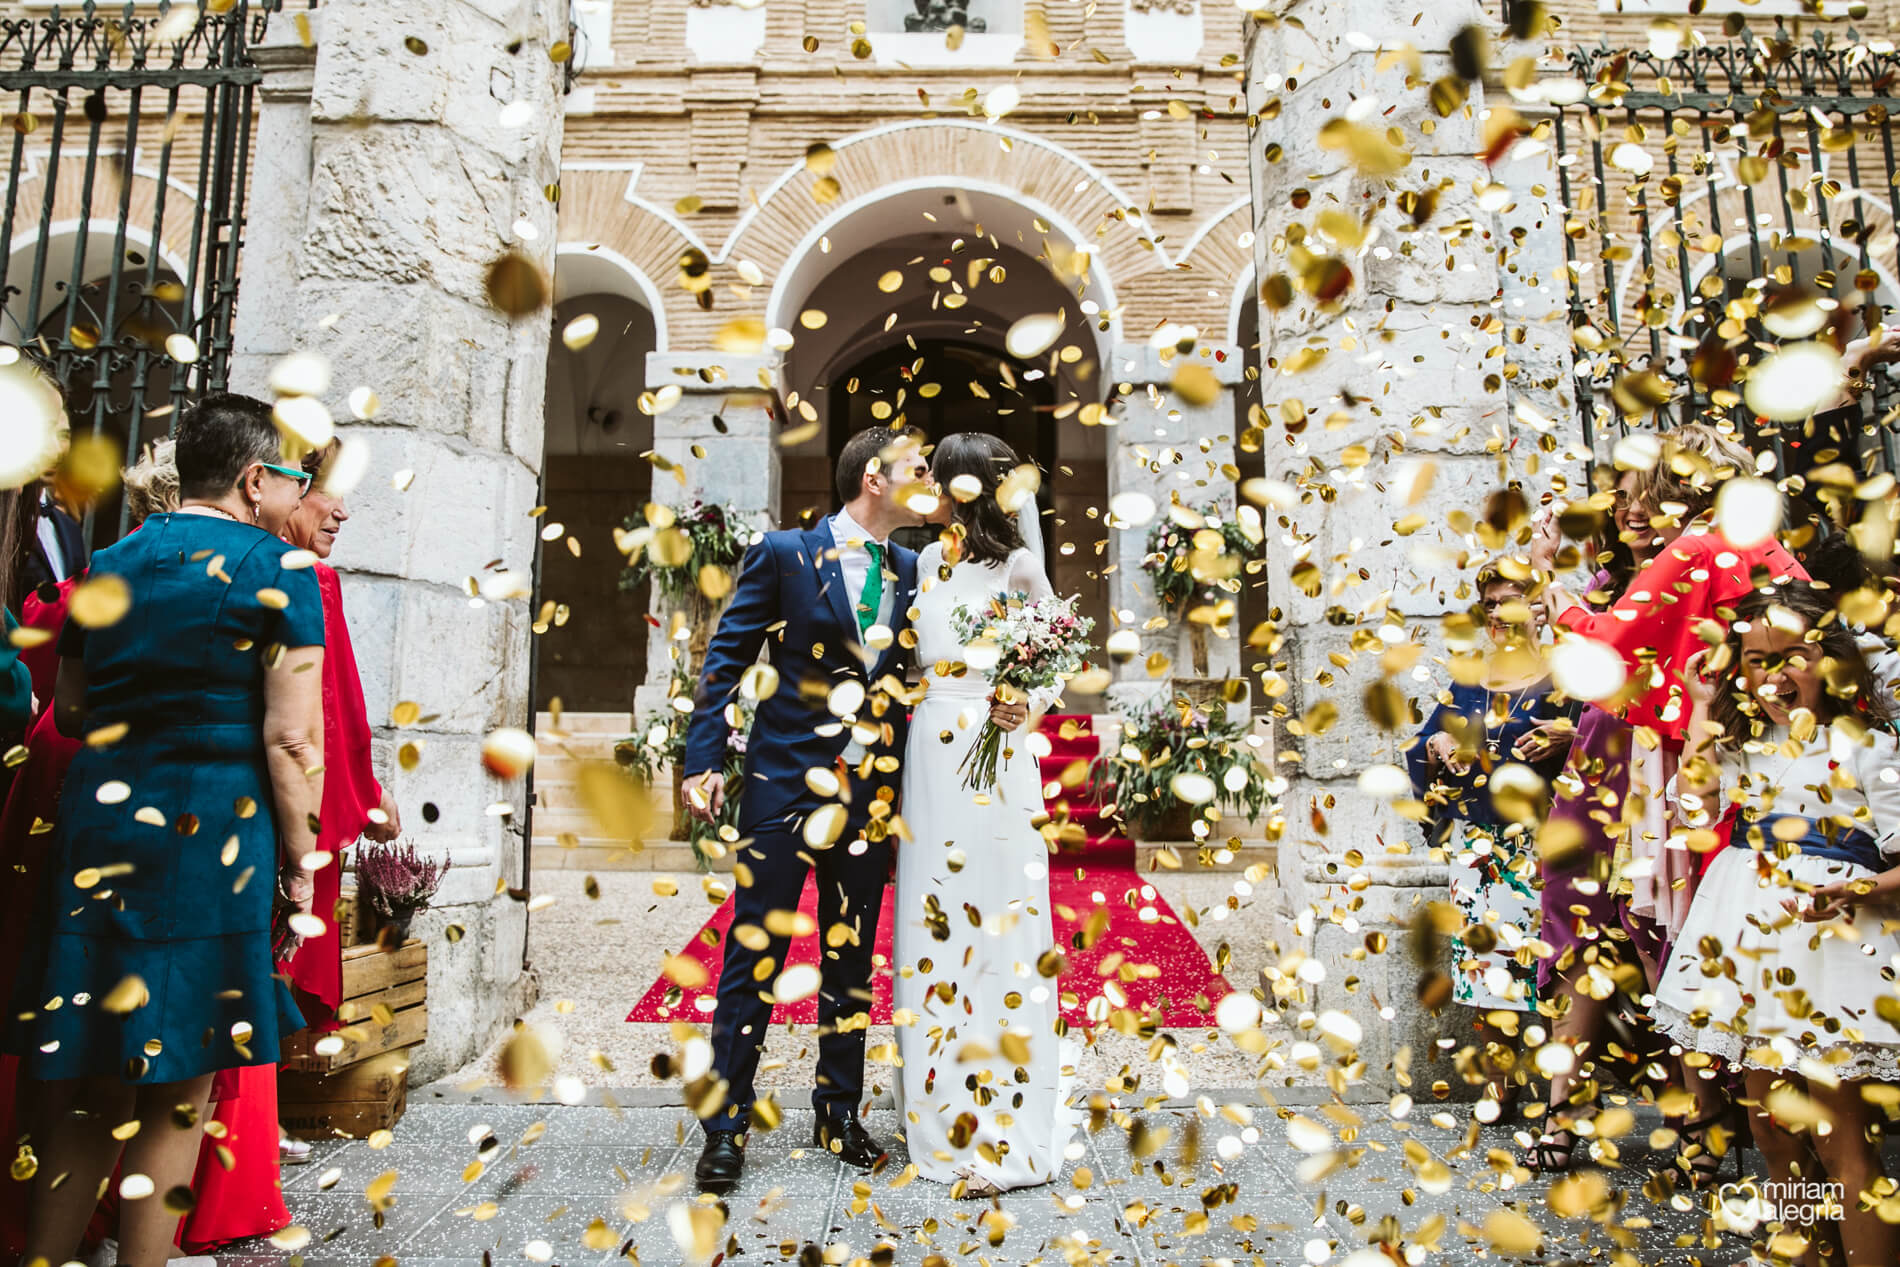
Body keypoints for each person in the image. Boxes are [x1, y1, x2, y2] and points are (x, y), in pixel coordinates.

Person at [3, 392, 326, 1267]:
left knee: (90, 1074)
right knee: (178, 1082)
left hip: (101, 828)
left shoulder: (109, 561)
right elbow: (293, 735)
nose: (301, 495)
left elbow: (69, 709)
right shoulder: (281, 570)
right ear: (255, 478)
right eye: (295, 478)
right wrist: (303, 860)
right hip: (211, 833)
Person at [1528, 423, 1807, 1178]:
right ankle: (1801, 1205)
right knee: (1755, 973)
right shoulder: (1776, 555)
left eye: (1640, 489)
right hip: (1770, 777)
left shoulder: (1691, 549)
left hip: (1681, 774)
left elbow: (1605, 641)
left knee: (1677, 949)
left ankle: (1731, 1156)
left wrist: (1552, 584)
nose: (1632, 505)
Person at [681, 425, 936, 1195]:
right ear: (873, 479)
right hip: (784, 784)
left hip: (867, 797)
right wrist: (702, 760)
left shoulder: (914, 567)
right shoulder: (786, 554)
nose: (928, 479)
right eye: (916, 468)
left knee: (850, 960)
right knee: (754, 953)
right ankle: (724, 1125)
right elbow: (725, 660)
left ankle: (838, 1111)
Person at [1655, 583, 1900, 1264]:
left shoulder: (1867, 746)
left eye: (1794, 655)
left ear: (1833, 664)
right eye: (1758, 660)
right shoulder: (1743, 747)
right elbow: (1695, 819)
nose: (1775, 675)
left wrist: (1862, 886)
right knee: (1774, 1134)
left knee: (1835, 1135)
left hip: (1834, 955)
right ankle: (1815, 1253)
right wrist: (1703, 708)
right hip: (1754, 950)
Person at [892, 431, 1073, 1196]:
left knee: (997, 915)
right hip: (930, 755)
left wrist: (1026, 704)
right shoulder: (924, 563)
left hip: (996, 756)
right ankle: (938, 1106)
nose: (938, 495)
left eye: (950, 483)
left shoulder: (1022, 566)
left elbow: (1059, 654)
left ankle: (1007, 1113)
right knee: (936, 917)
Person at [1407, 561, 1578, 1114]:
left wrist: (1567, 735)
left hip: (1551, 838)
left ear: (1538, 606)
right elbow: (1428, 743)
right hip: (1485, 846)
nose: (1498, 615)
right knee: (1490, 970)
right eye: (1489, 605)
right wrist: (1433, 750)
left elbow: (1609, 733)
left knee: (1561, 968)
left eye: (1511, 601)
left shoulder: (1565, 671)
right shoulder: (1469, 678)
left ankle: (1563, 1097)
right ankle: (1500, 1089)